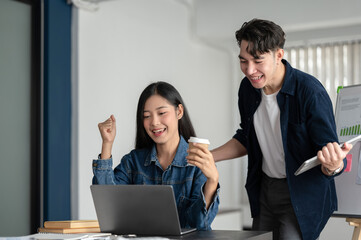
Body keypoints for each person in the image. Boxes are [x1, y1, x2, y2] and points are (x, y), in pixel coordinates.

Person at [210, 19, 353, 240]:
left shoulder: (309, 92)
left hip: (301, 193)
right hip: (265, 189)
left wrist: (333, 166)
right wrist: (209, 158)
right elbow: (247, 137)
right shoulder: (248, 89)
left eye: (258, 60)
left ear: (278, 55)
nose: (250, 70)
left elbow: (330, 154)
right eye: (243, 61)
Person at [92, 81, 220, 230]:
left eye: (161, 113)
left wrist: (212, 180)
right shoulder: (134, 162)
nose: (154, 122)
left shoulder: (198, 163)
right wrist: (107, 144)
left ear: (179, 112)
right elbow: (108, 206)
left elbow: (201, 224)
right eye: (146, 116)